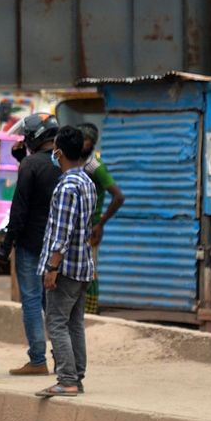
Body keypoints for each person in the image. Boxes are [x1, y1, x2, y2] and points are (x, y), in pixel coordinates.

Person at [0, 112, 61, 376]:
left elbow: (19, 210)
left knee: (32, 301)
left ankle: (37, 359)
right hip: (56, 247)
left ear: (33, 137)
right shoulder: (63, 163)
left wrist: (4, 247)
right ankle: (61, 357)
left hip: (30, 244)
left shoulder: (30, 165)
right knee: (53, 302)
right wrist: (24, 159)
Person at [35, 126, 97, 398]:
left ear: (59, 152)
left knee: (56, 323)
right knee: (74, 323)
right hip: (82, 266)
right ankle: (76, 376)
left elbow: (62, 232)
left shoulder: (67, 186)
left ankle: (67, 379)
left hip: (65, 268)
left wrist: (52, 267)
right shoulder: (87, 182)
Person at [77, 123, 125, 313]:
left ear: (91, 143)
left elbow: (118, 196)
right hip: (77, 226)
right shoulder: (75, 163)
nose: (82, 144)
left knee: (90, 272)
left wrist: (101, 223)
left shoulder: (94, 166)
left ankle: (90, 312)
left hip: (90, 227)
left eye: (86, 141)